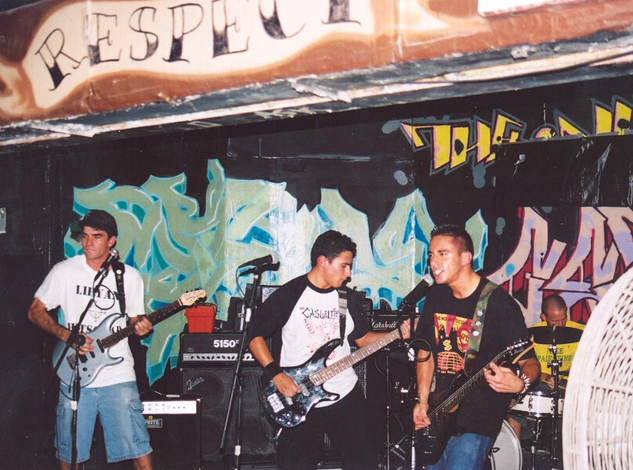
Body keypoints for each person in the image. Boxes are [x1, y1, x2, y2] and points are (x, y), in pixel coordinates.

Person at [249, 230, 411, 470]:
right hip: (298, 394)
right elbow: (254, 335)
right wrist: (276, 375)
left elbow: (362, 339)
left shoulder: (347, 299)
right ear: (323, 261)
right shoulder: (291, 294)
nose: (349, 273)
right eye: (344, 266)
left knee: (363, 463)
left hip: (344, 392)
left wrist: (398, 334)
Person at [27, 210, 153, 470]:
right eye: (84, 236)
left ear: (111, 241)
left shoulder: (128, 277)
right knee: (69, 451)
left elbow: (135, 320)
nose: (88, 243)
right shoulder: (64, 271)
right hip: (74, 373)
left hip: (118, 374)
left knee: (138, 447)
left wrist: (142, 327)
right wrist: (66, 335)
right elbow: (35, 311)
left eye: (96, 236)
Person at [412, 224, 540, 470]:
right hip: (439, 412)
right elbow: (425, 352)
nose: (434, 262)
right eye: (431, 255)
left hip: (479, 419)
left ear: (466, 258)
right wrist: (423, 400)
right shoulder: (435, 297)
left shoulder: (499, 304)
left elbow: (530, 361)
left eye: (443, 254)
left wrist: (520, 383)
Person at [507, 294, 584, 440]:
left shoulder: (581, 332)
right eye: (555, 321)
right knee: (515, 411)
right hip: (540, 382)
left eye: (563, 319)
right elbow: (522, 365)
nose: (561, 325)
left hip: (568, 386)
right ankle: (515, 451)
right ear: (543, 317)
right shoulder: (531, 334)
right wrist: (544, 376)